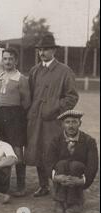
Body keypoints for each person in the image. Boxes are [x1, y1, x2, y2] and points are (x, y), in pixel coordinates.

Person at [26, 33, 78, 197]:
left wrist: (55, 108)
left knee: (54, 152)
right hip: (36, 120)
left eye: (46, 49)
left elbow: (72, 97)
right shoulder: (34, 71)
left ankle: (58, 185)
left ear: (54, 51)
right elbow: (31, 94)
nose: (42, 53)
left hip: (54, 121)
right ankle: (43, 186)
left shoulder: (64, 71)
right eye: (40, 49)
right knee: (38, 151)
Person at [45, 110, 98, 213]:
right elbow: (48, 162)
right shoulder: (56, 140)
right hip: (61, 173)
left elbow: (93, 165)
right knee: (61, 164)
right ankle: (60, 201)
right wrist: (56, 177)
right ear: (62, 124)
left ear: (80, 123)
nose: (71, 125)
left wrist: (81, 180)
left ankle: (75, 202)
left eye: (74, 122)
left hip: (78, 173)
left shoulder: (89, 141)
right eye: (67, 122)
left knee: (75, 165)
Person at [0, 48, 31, 197]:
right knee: (2, 150)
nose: (7, 62)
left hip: (15, 115)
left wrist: (17, 115)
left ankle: (21, 186)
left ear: (16, 61)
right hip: (0, 115)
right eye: (5, 59)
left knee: (16, 150)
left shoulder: (21, 78)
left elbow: (26, 101)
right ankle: (4, 185)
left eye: (10, 59)